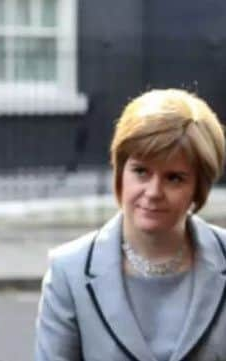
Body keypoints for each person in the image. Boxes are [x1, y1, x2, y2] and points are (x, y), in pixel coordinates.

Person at [35, 88, 226, 361]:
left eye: (174, 178)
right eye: (141, 171)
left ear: (199, 188)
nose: (153, 191)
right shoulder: (69, 272)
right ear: (120, 172)